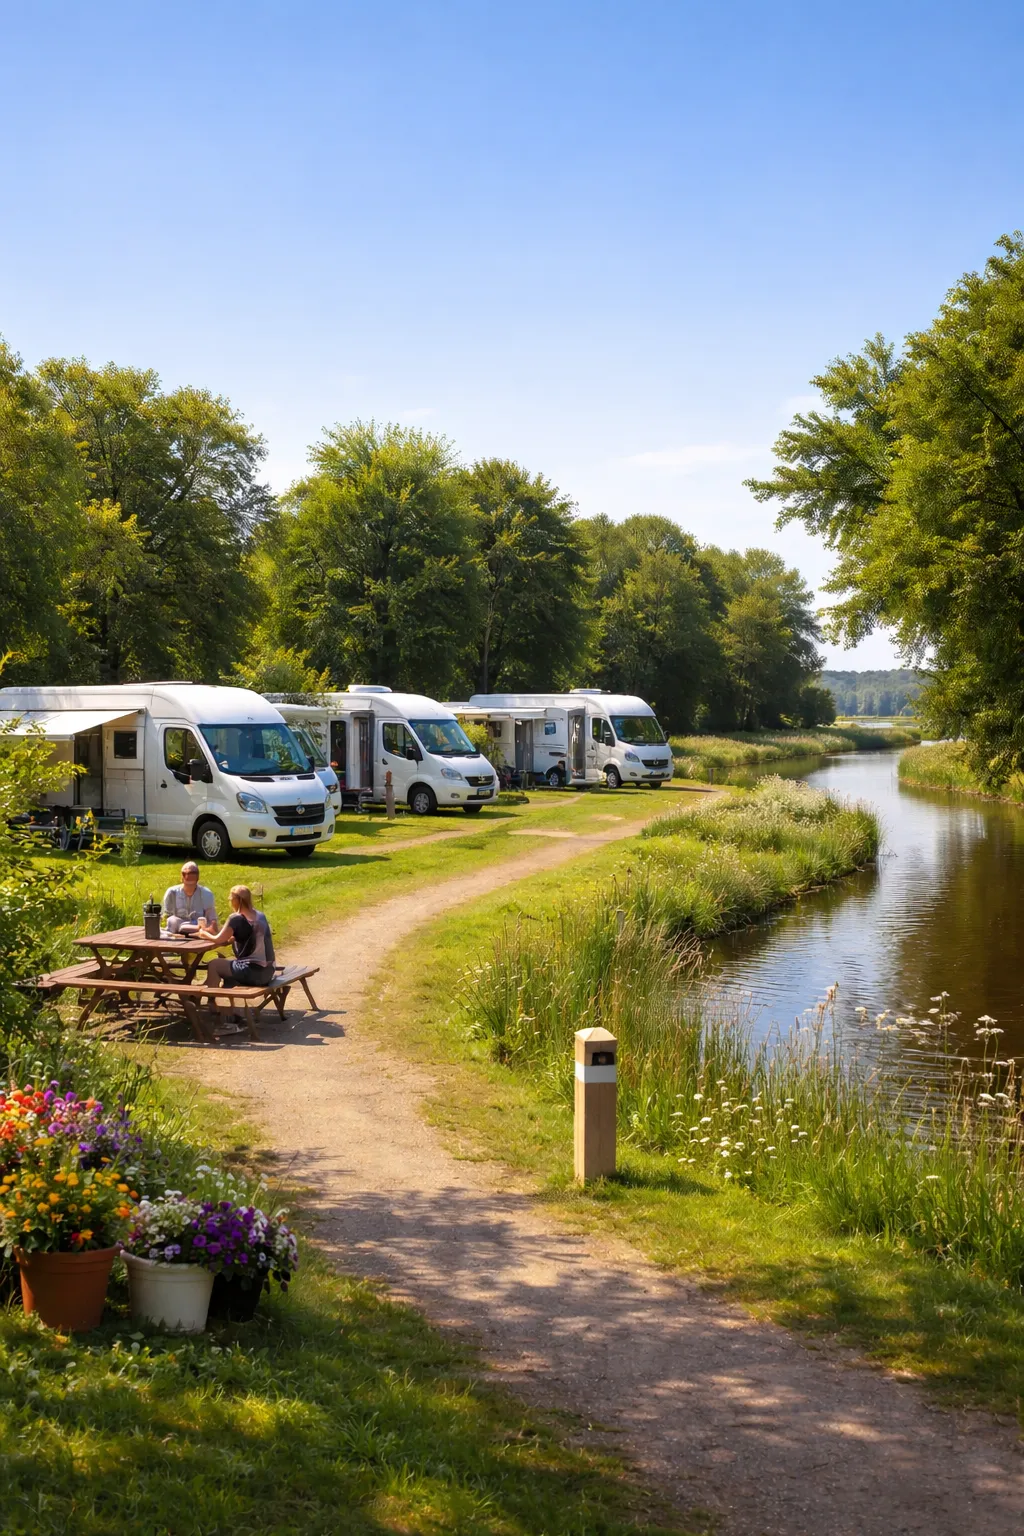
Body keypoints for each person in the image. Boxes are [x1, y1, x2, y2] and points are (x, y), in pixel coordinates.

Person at [197, 885, 276, 1035]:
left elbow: (218, 939)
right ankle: (230, 1014)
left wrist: (203, 932)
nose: (229, 901)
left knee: (214, 965)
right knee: (229, 968)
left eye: (230, 898)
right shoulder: (260, 915)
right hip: (268, 971)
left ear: (237, 901)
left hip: (253, 971)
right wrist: (231, 938)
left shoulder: (236, 918)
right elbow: (249, 935)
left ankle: (212, 1006)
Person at [162, 862, 217, 929]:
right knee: (172, 920)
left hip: (199, 929)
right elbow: (166, 916)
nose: (188, 876)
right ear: (181, 877)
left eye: (193, 874)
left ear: (198, 877)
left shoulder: (206, 894)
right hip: (177, 928)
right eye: (185, 874)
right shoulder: (172, 893)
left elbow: (212, 920)